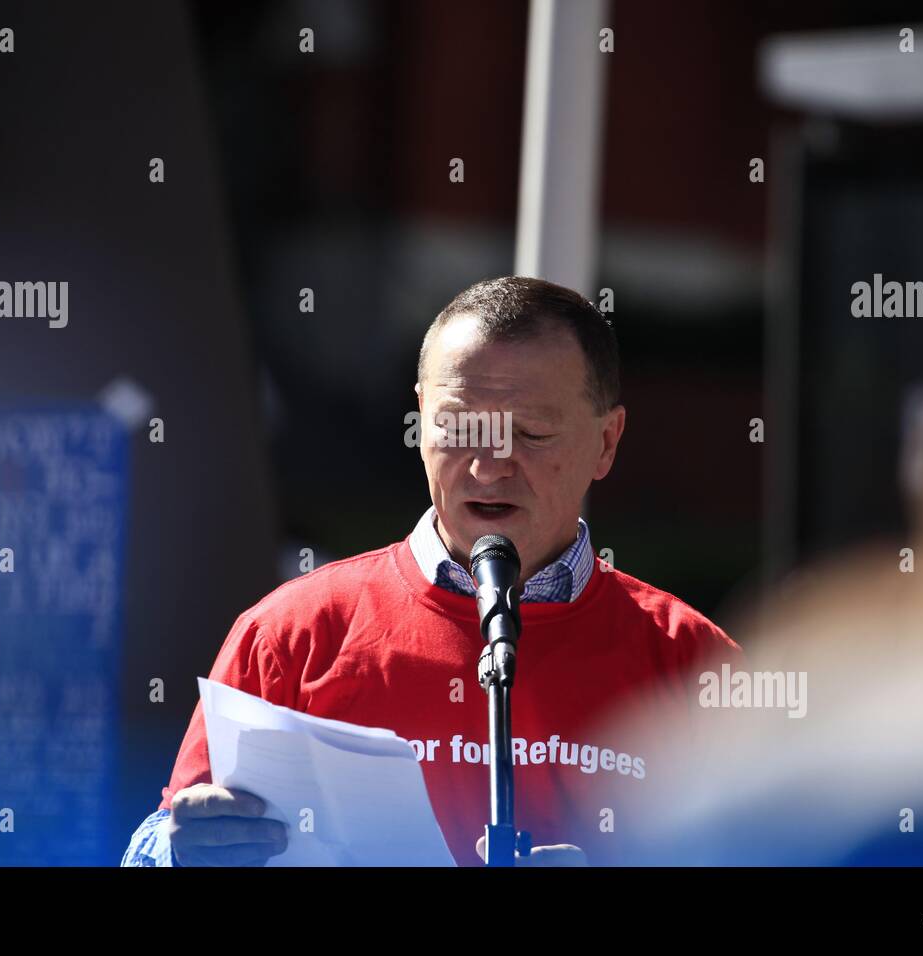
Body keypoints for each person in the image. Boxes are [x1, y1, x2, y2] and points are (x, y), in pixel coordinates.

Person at [120, 276, 743, 867]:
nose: (489, 467)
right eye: (460, 428)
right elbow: (163, 841)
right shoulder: (292, 636)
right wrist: (178, 852)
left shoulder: (692, 665)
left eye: (531, 433)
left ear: (607, 441)